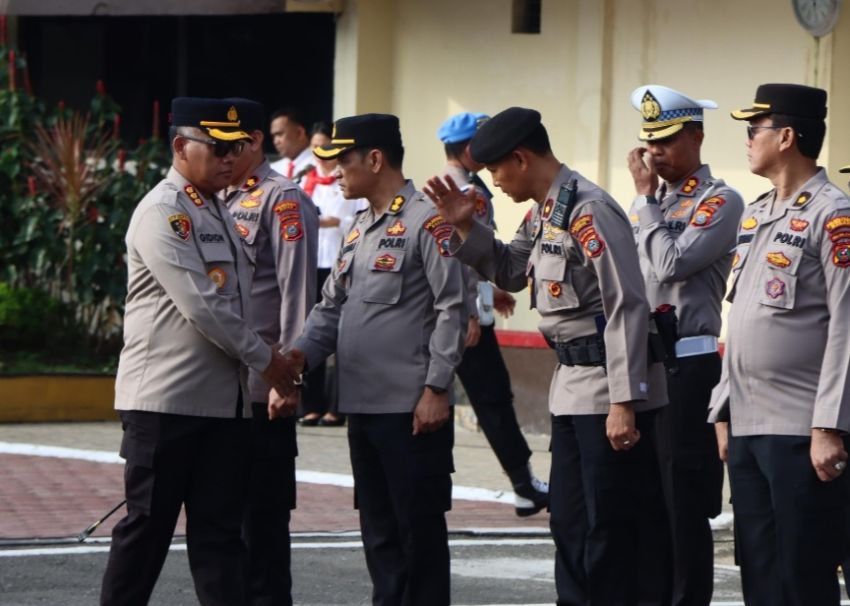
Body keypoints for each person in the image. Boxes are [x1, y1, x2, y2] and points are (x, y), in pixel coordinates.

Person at [425, 107, 668, 605]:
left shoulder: (589, 209)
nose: (494, 180)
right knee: (570, 522)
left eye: (497, 169)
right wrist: (467, 229)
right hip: (571, 389)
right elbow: (512, 270)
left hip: (607, 391)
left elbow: (627, 304)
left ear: (520, 158)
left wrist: (624, 401)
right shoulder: (543, 212)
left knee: (609, 527)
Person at [100, 97, 301, 606]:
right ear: (180, 147)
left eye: (235, 147)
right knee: (147, 530)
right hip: (166, 404)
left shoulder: (215, 209)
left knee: (218, 537)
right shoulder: (164, 210)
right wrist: (269, 362)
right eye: (216, 148)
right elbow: (203, 306)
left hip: (220, 407)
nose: (229, 158)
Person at [281, 114, 467, 606]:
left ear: (375, 159)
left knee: (418, 536)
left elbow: (453, 308)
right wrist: (296, 360)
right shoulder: (360, 226)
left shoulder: (429, 220)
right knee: (379, 535)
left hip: (411, 410)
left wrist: (436, 388)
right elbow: (330, 307)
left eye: (343, 160)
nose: (335, 171)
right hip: (362, 407)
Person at [709, 83, 850, 606]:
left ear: (786, 136)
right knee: (761, 577)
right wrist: (723, 409)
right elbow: (740, 315)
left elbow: (846, 325)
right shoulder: (758, 212)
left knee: (802, 575)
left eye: (755, 130)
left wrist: (828, 426)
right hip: (748, 425)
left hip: (799, 429)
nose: (747, 141)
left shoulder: (833, 215)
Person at [625, 84, 744, 606]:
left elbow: (671, 264)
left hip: (688, 366)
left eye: (668, 141)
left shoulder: (719, 200)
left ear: (696, 136)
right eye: (649, 142)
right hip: (641, 364)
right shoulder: (647, 204)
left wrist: (646, 203)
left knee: (682, 504)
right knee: (643, 503)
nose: (655, 153)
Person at [224, 98, 319, 606]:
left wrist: (288, 378)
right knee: (225, 524)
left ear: (256, 141)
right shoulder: (216, 197)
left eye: (230, 145)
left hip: (265, 386)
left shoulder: (281, 199)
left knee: (261, 525)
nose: (221, 155)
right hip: (220, 390)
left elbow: (297, 292)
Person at [436, 111, 549, 516]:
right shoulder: (469, 193)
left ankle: (520, 483)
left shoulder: (444, 186)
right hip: (464, 316)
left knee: (449, 397)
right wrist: (471, 309)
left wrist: (494, 288)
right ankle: (523, 484)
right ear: (470, 149)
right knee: (493, 399)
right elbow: (458, 258)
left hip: (450, 310)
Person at [297, 121, 368, 427]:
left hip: (341, 263)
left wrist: (334, 222)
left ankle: (337, 406)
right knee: (312, 329)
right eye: (315, 148)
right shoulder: (305, 181)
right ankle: (311, 403)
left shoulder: (348, 181)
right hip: (313, 262)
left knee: (341, 335)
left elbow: (359, 218)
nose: (320, 154)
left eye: (325, 147)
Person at [269, 107, 314, 184]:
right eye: (273, 136)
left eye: (279, 134)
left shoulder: (321, 165)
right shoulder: (272, 169)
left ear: (300, 133)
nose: (275, 141)